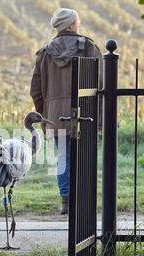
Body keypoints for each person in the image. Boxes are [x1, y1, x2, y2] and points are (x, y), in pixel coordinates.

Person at [30, 8, 102, 215]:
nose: (79, 23)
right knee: (84, 157)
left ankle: (66, 201)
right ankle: (83, 201)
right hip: (84, 113)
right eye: (77, 21)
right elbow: (101, 85)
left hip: (55, 117)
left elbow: (35, 90)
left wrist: (46, 115)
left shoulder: (45, 53)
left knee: (63, 157)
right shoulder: (88, 47)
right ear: (71, 25)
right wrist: (101, 118)